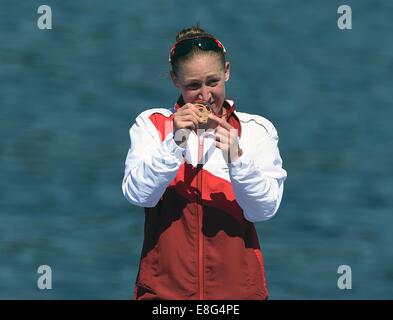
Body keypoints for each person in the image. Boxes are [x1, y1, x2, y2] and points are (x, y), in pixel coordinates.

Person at [122, 25, 287, 300]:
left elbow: (264, 210)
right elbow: (139, 195)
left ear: (227, 72)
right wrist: (174, 142)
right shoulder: (152, 124)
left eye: (213, 82)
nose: (205, 96)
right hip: (163, 295)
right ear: (175, 80)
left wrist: (236, 158)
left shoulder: (257, 130)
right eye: (193, 86)